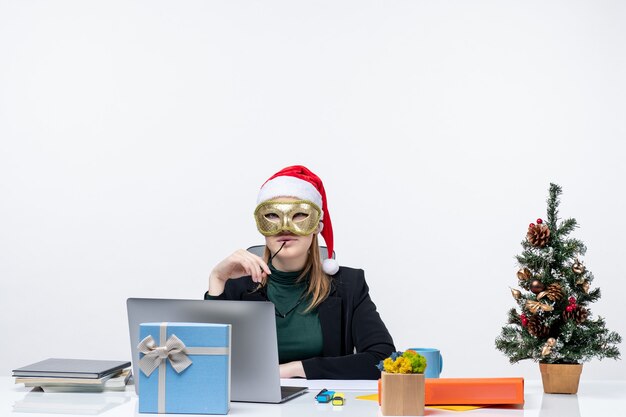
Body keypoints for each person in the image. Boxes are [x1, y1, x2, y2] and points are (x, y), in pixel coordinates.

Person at [205, 165, 395, 379]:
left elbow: (383, 359)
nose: (285, 227)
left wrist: (295, 370)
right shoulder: (237, 285)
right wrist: (217, 279)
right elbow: (208, 364)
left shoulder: (349, 285)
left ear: (316, 226)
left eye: (300, 215)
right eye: (272, 216)